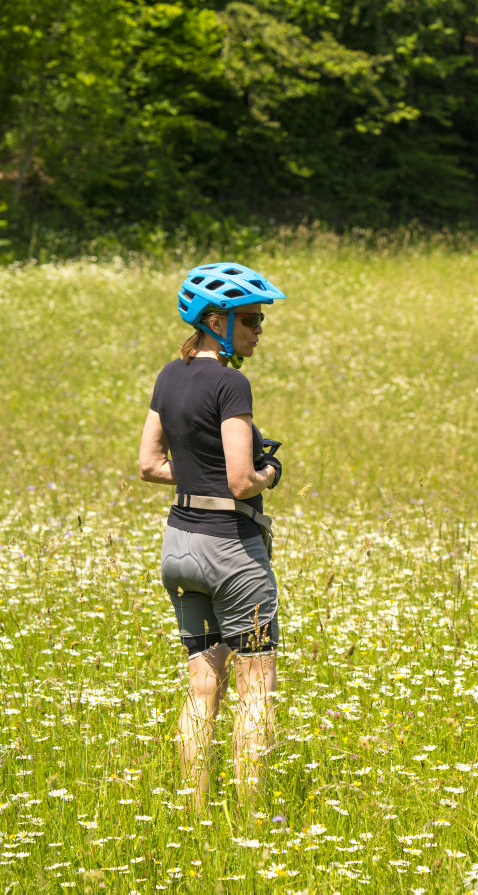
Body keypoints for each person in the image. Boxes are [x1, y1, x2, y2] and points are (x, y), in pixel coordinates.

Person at [136, 262, 287, 807]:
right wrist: (270, 472)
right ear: (216, 321)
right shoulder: (231, 382)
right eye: (249, 319)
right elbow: (242, 481)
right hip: (230, 551)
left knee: (203, 683)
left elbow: (150, 465)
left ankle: (196, 809)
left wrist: (202, 474)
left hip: (178, 548)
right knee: (255, 687)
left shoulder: (168, 376)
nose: (258, 330)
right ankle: (249, 819)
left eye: (260, 320)